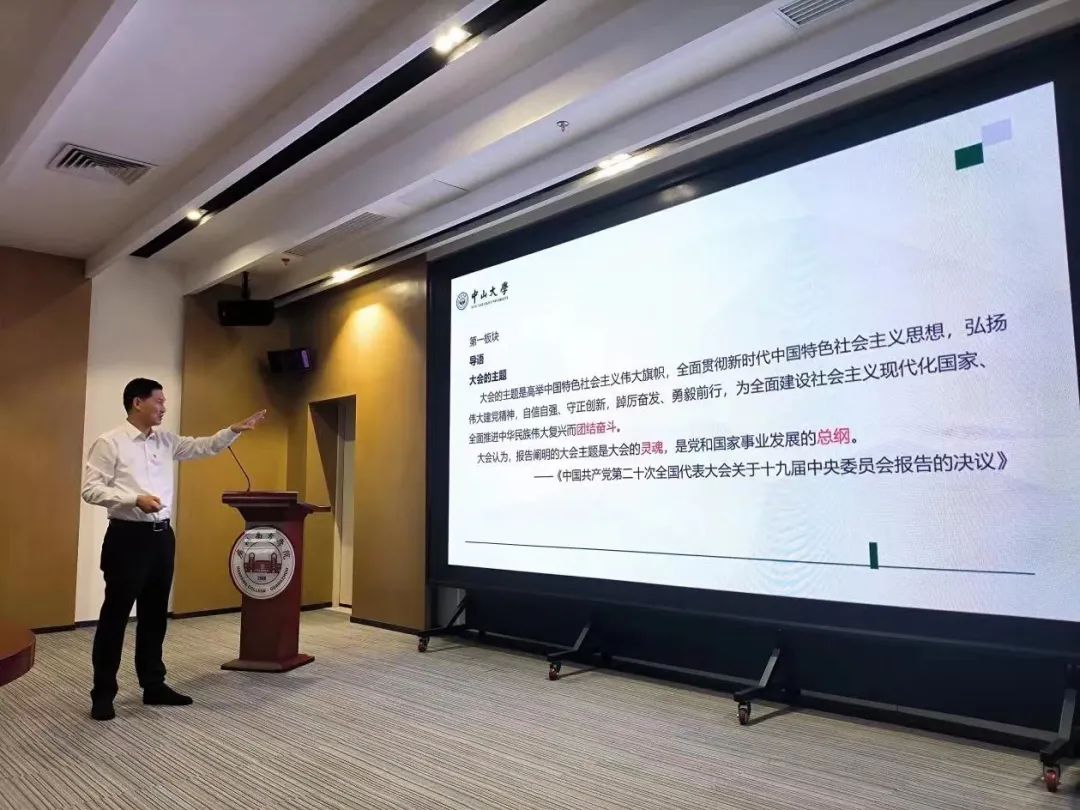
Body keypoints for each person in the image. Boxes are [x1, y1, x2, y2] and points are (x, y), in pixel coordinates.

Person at [81, 377, 266, 721]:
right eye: (159, 401)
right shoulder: (110, 442)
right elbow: (91, 490)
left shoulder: (166, 441)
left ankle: (153, 685)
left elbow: (204, 446)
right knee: (115, 618)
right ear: (138, 402)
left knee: (154, 616)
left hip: (162, 538)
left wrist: (233, 430)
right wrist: (133, 499)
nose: (164, 408)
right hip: (127, 538)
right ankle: (103, 694)